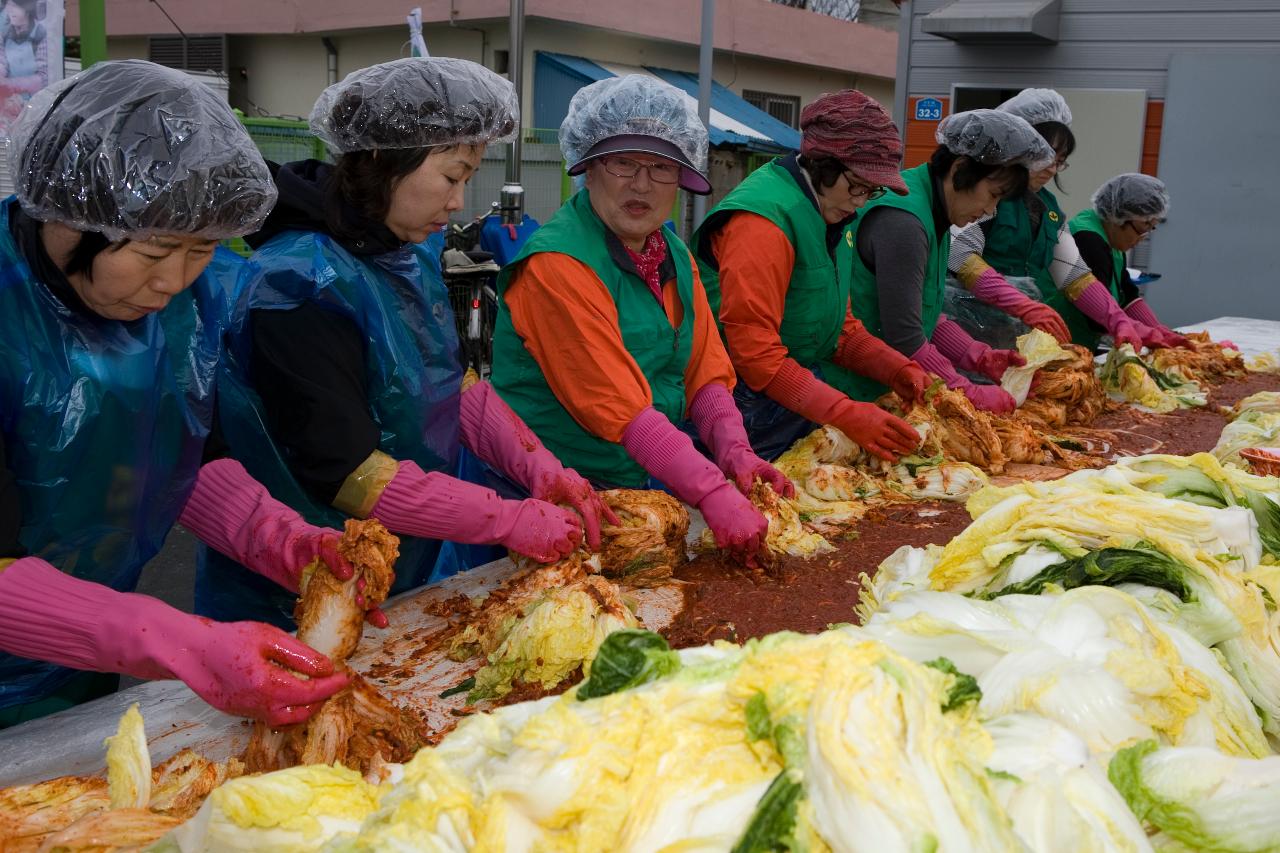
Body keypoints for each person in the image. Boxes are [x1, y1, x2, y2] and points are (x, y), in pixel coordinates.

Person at [0, 60, 354, 727]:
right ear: (72, 212)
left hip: (84, 665)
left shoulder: (183, 304)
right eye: (158, 250)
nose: (176, 278)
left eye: (202, 250)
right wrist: (173, 638)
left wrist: (282, 539)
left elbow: (185, 451)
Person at [207, 57, 614, 629]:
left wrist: (541, 468)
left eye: (466, 181)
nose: (457, 203)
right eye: (451, 177)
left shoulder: (403, 253)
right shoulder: (296, 284)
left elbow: (448, 383)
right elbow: (347, 473)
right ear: (381, 159)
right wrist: (506, 519)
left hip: (401, 568)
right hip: (293, 596)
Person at [491, 75, 790, 556]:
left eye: (662, 167)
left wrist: (736, 452)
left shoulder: (670, 251)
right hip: (552, 491)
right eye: (623, 162)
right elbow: (618, 404)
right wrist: (712, 491)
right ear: (588, 166)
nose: (642, 184)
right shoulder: (556, 265)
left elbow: (704, 370)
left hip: (639, 476)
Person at [690, 90, 927, 462]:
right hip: (733, 408)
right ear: (822, 164)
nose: (862, 201)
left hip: (788, 396)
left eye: (872, 190)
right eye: (858, 185)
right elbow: (755, 355)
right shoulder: (763, 223)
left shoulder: (831, 214)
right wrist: (845, 413)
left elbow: (838, 329)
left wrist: (896, 368)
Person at [847, 109, 1056, 414]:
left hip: (882, 388)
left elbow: (921, 312)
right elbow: (905, 336)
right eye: (992, 194)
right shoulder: (904, 223)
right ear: (960, 168)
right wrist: (965, 389)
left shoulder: (936, 213)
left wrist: (978, 355)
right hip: (852, 390)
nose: (990, 210)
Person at [948, 88, 1179, 352]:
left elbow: (1073, 274)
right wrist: (1021, 304)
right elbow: (959, 255)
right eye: (1044, 155)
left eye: (1059, 161)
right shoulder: (985, 194)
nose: (1051, 168)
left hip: (1016, 336)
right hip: (966, 334)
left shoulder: (1048, 208)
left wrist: (1118, 320)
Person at [1068, 172, 1187, 346]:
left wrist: (1159, 331)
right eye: (1143, 227)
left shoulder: (1111, 240)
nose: (1143, 237)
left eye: (1151, 228)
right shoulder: (1088, 240)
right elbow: (1096, 314)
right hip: (1063, 341)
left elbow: (1127, 295)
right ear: (1119, 217)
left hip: (1081, 343)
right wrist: (1146, 334)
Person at [0, 0, 46, 96]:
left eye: (14, 6)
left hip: (36, 100)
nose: (10, 10)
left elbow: (44, 77)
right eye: (8, 5)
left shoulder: (41, 34)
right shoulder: (4, 34)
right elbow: (2, 62)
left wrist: (10, 84)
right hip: (11, 100)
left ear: (27, 9)